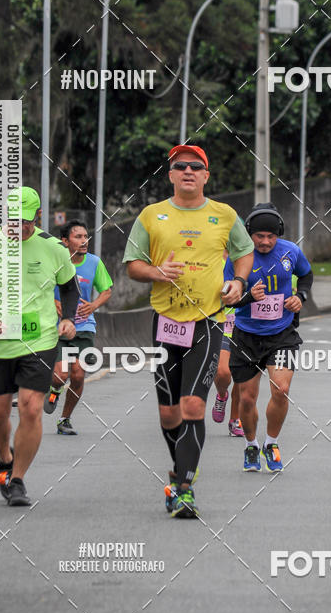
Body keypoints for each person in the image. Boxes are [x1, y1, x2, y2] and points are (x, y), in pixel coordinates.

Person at [123, 145, 254, 518]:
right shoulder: (152, 215)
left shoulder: (224, 215)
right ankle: (180, 469)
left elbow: (244, 252)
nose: (188, 171)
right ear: (170, 174)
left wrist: (239, 281)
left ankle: (184, 488)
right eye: (180, 166)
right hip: (166, 321)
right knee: (168, 414)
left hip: (208, 320)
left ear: (206, 175)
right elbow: (132, 264)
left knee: (193, 405)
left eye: (196, 166)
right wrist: (157, 272)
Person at [0, 186, 79, 506]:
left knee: (31, 407)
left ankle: (18, 480)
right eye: (13, 220)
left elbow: (69, 288)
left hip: (39, 340)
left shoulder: (53, 248)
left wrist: (68, 318)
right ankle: (5, 457)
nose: (19, 227)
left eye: (26, 221)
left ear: (38, 217)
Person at [226, 202, 313, 473]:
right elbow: (227, 298)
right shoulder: (238, 258)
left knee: (281, 389)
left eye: (271, 236)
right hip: (247, 336)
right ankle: (251, 445)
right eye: (259, 236)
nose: (265, 242)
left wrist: (300, 297)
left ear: (279, 234)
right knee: (247, 399)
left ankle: (271, 443)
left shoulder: (290, 251)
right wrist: (248, 297)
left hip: (282, 334)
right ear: (249, 234)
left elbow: (306, 275)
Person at [44, 219, 113, 434]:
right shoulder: (54, 262)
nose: (84, 241)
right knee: (60, 375)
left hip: (84, 327)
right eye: (78, 237)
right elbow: (39, 287)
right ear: (65, 241)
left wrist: (93, 305)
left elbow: (106, 291)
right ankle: (54, 391)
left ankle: (64, 419)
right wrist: (52, 302)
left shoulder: (94, 262)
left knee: (77, 375)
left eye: (86, 237)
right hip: (58, 327)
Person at [211, 253, 243, 437]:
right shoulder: (213, 257)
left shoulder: (249, 258)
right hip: (223, 323)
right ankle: (222, 394)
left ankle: (235, 419)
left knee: (242, 377)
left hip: (248, 325)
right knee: (223, 372)